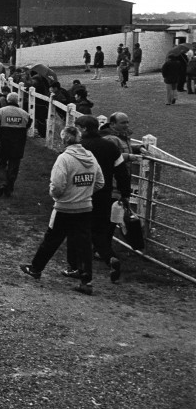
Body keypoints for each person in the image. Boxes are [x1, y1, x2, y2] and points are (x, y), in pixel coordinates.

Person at [20, 125, 104, 295]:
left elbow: (58, 185)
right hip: (85, 207)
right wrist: (85, 193)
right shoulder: (91, 157)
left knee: (51, 239)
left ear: (65, 140)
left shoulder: (64, 159)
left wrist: (57, 196)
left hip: (65, 207)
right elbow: (100, 182)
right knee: (84, 245)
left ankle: (36, 268)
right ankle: (86, 280)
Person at [70, 116, 130, 283]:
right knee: (99, 231)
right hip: (104, 193)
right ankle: (110, 257)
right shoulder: (110, 147)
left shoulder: (79, 147)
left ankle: (79, 267)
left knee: (79, 230)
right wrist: (125, 193)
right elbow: (121, 172)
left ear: (82, 129)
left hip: (81, 192)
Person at [0, 93, 31, 197]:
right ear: (17, 101)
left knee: (2, 164)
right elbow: (27, 127)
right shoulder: (25, 114)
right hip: (18, 144)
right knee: (14, 166)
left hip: (3, 143)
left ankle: (2, 183)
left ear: (7, 100)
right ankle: (9, 189)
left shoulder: (0, 112)